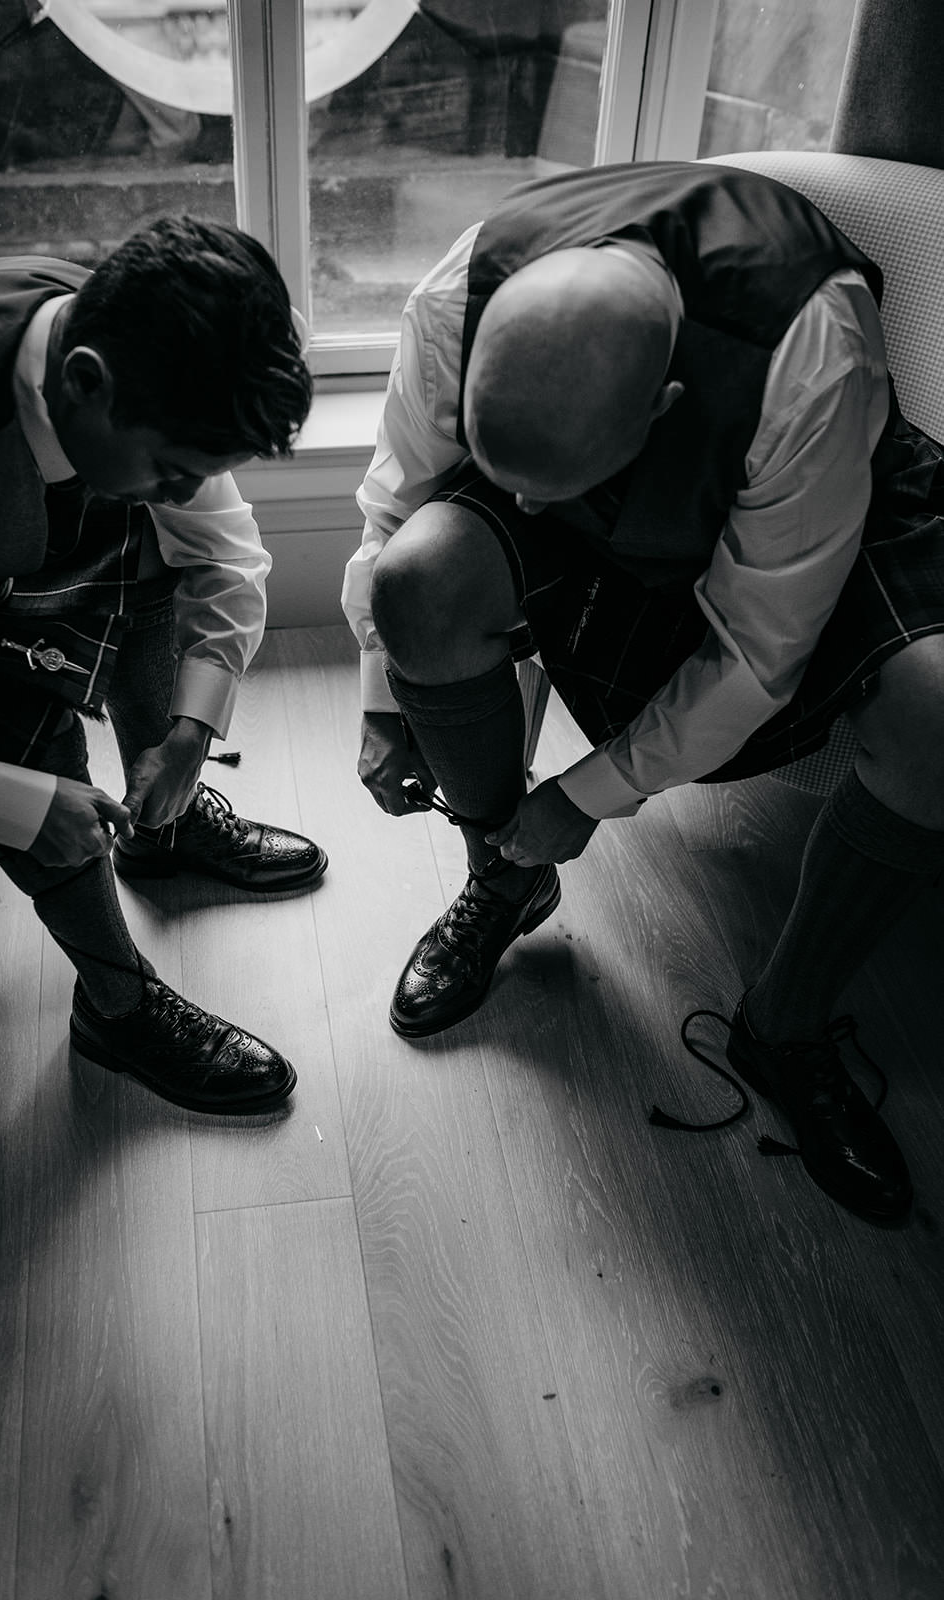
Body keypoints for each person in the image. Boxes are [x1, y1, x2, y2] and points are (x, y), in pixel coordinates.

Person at [342, 159, 944, 1226]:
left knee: (938, 712)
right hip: (616, 452)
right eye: (508, 477)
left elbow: (757, 648)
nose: (523, 509)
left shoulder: (816, 356)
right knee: (419, 583)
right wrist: (382, 691)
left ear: (661, 409)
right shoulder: (455, 296)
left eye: (542, 489)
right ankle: (502, 877)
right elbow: (397, 502)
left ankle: (783, 1025)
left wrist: (584, 796)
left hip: (811, 487)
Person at [0, 214, 327, 1116]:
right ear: (85, 381)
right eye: (177, 465)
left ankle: (166, 824)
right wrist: (6, 800)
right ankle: (117, 1005)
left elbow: (223, 551)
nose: (189, 487)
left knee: (150, 525)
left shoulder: (110, 330)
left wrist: (191, 734)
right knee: (22, 719)